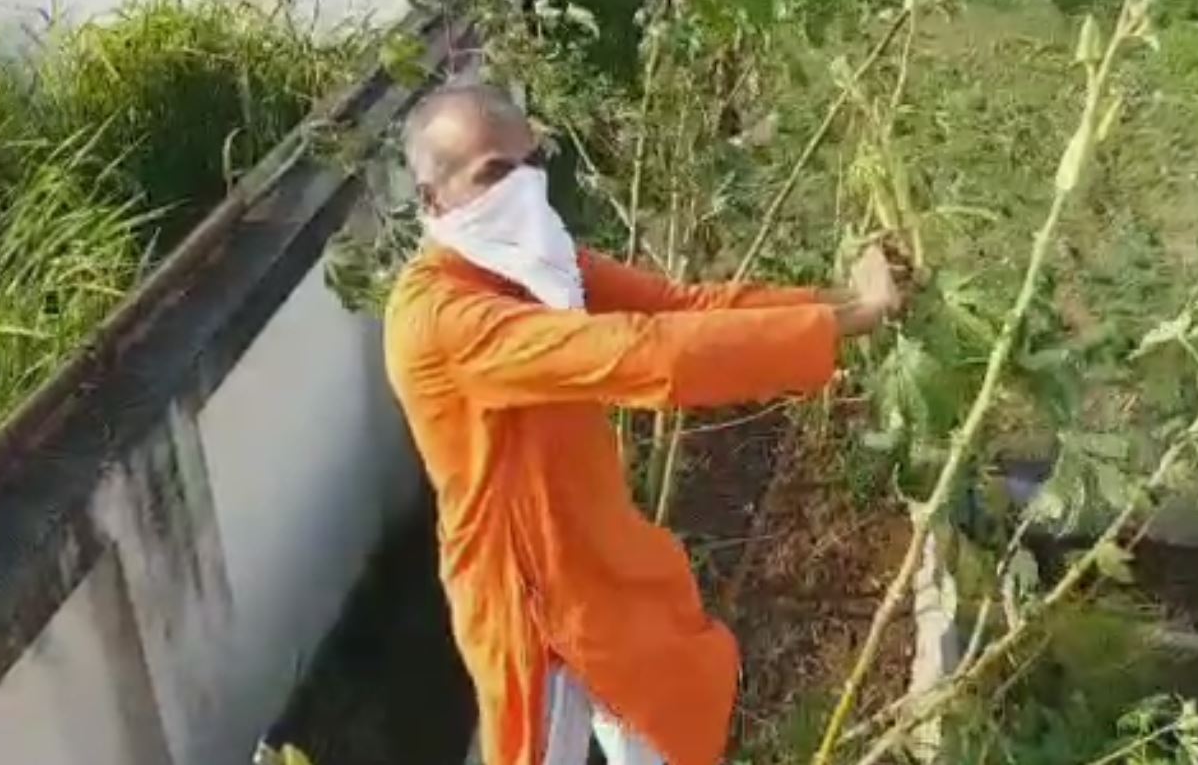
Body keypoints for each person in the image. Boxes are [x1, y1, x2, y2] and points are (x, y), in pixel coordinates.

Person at [383, 83, 913, 765]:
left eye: (528, 165)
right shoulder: (440, 316)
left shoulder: (536, 263)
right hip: (530, 603)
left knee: (662, 725)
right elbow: (644, 352)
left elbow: (684, 308)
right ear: (432, 199)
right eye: (492, 174)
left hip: (602, 569)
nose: (519, 190)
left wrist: (842, 302)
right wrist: (850, 316)